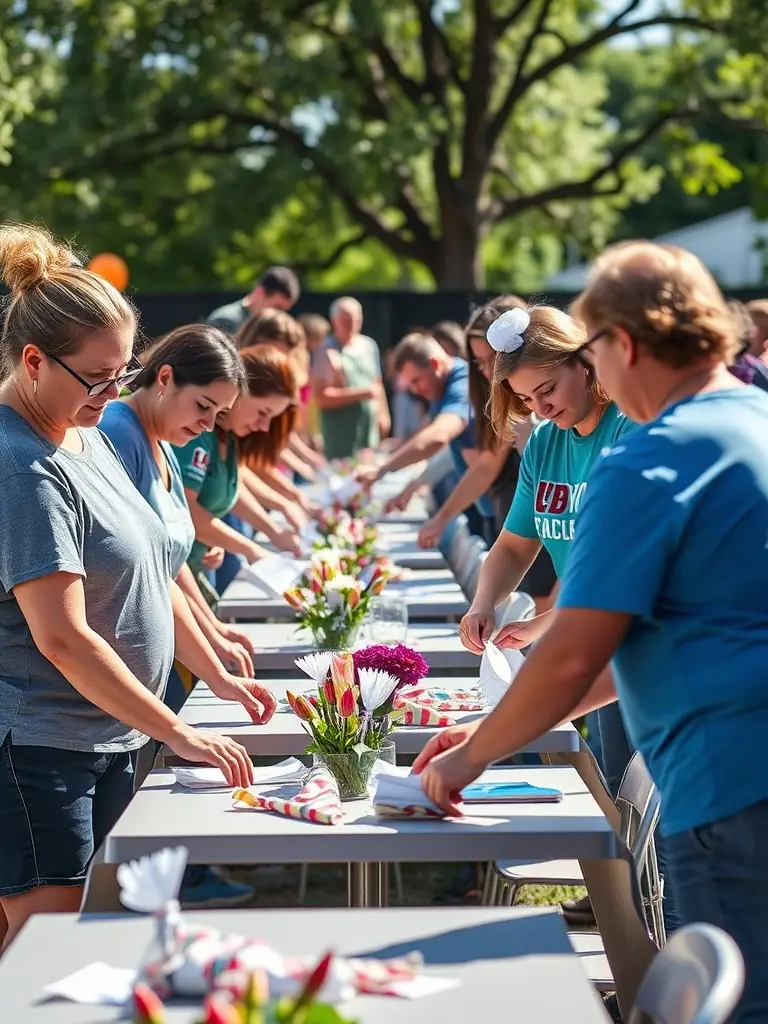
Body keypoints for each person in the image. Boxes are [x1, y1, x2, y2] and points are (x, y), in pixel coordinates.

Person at [415, 241, 768, 1021]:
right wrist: (491, 726)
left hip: (726, 786)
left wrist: (472, 756)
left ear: (622, 348)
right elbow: (638, 646)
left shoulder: (650, 456)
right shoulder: (753, 415)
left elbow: (575, 650)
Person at [0, 224, 261, 947]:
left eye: (123, 375)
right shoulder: (22, 465)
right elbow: (62, 637)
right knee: (48, 961)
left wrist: (209, 674)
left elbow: (154, 567)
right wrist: (178, 730)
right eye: (99, 377)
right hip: (42, 751)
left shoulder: (82, 432)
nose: (115, 393)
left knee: (48, 953)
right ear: (32, 361)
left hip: (103, 739)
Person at [441, 302, 673, 929]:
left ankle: (656, 951)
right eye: (526, 399)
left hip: (638, 650)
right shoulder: (544, 441)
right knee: (618, 800)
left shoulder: (629, 428)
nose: (540, 409)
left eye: (548, 390)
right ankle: (630, 925)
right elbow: (517, 544)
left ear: (585, 361)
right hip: (593, 645)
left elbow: (620, 562)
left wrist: (546, 626)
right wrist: (485, 601)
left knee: (662, 825)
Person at [102, 325, 278, 908]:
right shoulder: (120, 435)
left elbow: (169, 562)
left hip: (141, 677)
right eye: (203, 407)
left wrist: (214, 649)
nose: (208, 425)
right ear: (165, 376)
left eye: (218, 413)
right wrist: (209, 648)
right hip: (108, 687)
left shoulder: (161, 443)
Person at [416, 297, 555, 605]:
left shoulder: (533, 407)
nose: (487, 369)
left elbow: (486, 467)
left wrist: (440, 517)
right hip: (515, 516)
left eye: (492, 357)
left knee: (539, 607)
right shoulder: (500, 400)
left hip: (539, 517)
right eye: (479, 361)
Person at [173, 345, 300, 596]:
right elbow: (186, 512)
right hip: (176, 581)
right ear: (240, 394)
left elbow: (230, 488)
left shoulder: (228, 439)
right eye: (263, 412)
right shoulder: (199, 434)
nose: (264, 427)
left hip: (192, 574)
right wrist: (250, 549)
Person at [358, 332, 493, 540]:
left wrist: (381, 470)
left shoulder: (462, 385)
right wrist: (412, 486)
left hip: (502, 502)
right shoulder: (442, 388)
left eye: (416, 380)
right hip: (485, 503)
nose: (416, 390)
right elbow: (448, 450)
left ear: (434, 364)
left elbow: (439, 435)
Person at [313, 296, 390, 458]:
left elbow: (377, 384)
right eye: (346, 320)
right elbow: (322, 398)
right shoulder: (326, 351)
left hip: (368, 432)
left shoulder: (369, 346)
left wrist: (384, 414)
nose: (351, 325)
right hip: (340, 436)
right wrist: (361, 394)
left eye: (356, 320)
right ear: (334, 321)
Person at [207, 265, 300, 336]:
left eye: (284, 310)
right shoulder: (225, 321)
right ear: (260, 293)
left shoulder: (270, 328)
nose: (280, 315)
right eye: (277, 307)